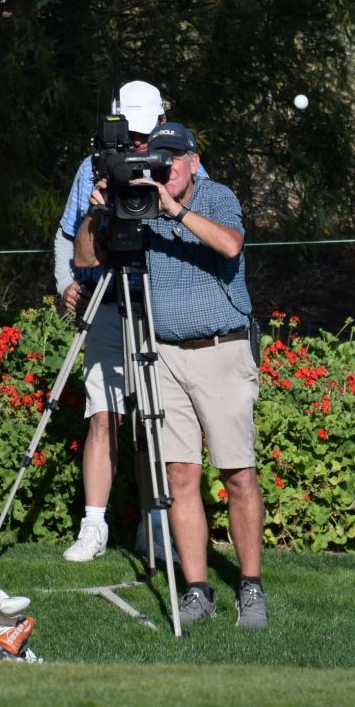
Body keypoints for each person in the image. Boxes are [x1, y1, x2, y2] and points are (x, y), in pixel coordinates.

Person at [123, 120, 265, 628]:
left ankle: (250, 588)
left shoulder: (216, 196)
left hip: (220, 351)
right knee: (180, 476)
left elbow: (230, 246)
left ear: (192, 162)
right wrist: (105, 210)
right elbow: (91, 259)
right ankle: (198, 591)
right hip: (163, 353)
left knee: (238, 474)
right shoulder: (139, 202)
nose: (164, 169)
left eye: (173, 160)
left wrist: (175, 210)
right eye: (157, 160)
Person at [53, 79, 167, 564]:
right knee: (104, 416)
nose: (137, 143)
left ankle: (157, 526)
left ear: (162, 122)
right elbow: (65, 235)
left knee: (158, 420)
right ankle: (93, 525)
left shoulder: (177, 164)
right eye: (130, 133)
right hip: (105, 304)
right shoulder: (93, 169)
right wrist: (65, 285)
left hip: (158, 308)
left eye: (145, 133)